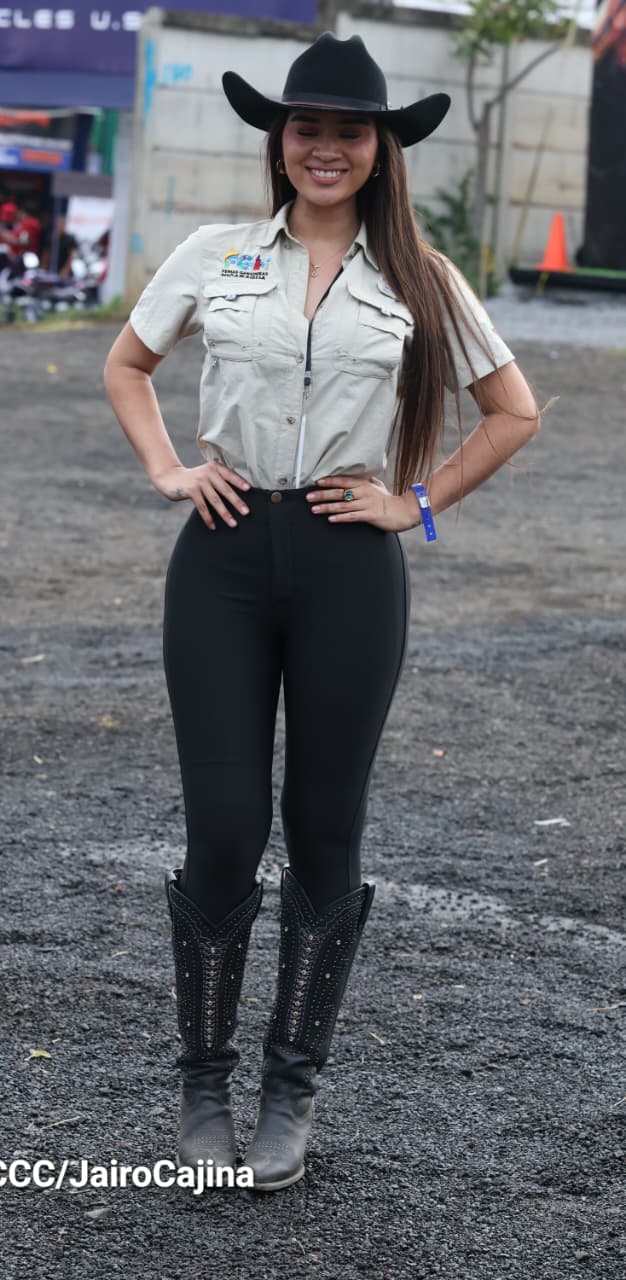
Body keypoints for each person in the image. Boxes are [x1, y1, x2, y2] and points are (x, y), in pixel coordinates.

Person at [104, 31, 540, 1193]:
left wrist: (415, 502)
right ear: (280, 139)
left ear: (381, 148)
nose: (326, 148)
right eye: (307, 128)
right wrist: (167, 470)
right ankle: (204, 1087)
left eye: (350, 131)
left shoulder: (420, 276)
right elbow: (126, 366)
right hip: (222, 556)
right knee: (223, 823)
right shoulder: (216, 254)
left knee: (323, 825)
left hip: (352, 565)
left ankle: (288, 1093)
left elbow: (512, 410)